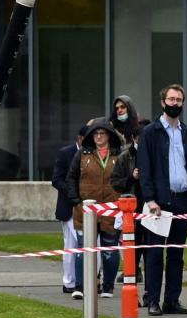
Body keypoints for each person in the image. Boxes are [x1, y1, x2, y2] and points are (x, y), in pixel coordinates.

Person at [138, 84, 187, 316]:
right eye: (171, 99)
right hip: (160, 203)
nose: (175, 103)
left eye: (179, 100)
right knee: (155, 253)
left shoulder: (186, 132)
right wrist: (150, 199)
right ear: (163, 102)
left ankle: (172, 300)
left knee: (176, 254)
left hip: (183, 200)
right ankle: (152, 299)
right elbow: (144, 168)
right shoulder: (150, 133)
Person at [66, 118, 122, 299]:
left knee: (110, 251)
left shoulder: (118, 155)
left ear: (109, 136)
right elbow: (71, 178)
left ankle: (108, 287)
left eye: (102, 133)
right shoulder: (83, 154)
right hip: (85, 211)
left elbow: (125, 179)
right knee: (83, 251)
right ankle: (81, 287)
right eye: (96, 133)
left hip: (111, 211)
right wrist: (76, 201)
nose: (99, 137)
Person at [111, 119, 148, 289]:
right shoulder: (125, 156)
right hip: (132, 210)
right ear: (134, 138)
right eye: (142, 137)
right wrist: (131, 178)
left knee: (152, 252)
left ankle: (151, 294)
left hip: (151, 208)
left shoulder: (155, 154)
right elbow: (116, 183)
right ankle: (132, 290)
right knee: (132, 252)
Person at [52, 124, 88, 294]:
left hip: (87, 207)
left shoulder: (92, 154)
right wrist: (73, 193)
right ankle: (69, 282)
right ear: (79, 139)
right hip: (69, 207)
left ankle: (87, 280)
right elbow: (56, 180)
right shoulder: (65, 153)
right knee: (71, 246)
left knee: (89, 245)